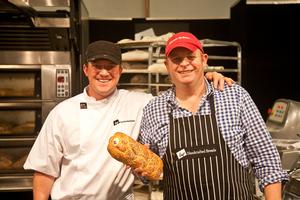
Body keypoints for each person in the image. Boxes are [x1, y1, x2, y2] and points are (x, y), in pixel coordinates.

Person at [23, 40, 234, 200]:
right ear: (86, 69)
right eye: (97, 66)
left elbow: (181, 94)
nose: (104, 72)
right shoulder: (63, 112)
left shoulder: (139, 102)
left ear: (120, 71)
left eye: (111, 66)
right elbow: (44, 170)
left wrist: (206, 77)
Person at [137, 32, 288, 200]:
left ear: (204, 59)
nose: (184, 64)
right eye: (176, 59)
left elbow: (267, 161)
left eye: (190, 57)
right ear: (167, 65)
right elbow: (145, 172)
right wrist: (142, 170)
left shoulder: (234, 97)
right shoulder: (154, 109)